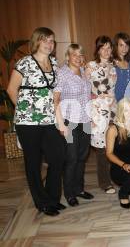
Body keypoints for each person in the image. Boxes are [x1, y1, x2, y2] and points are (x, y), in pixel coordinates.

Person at [7, 27, 66, 216]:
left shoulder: (55, 63)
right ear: (37, 42)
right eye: (45, 40)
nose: (49, 44)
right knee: (33, 163)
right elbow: (11, 89)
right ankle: (42, 202)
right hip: (28, 123)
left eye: (52, 40)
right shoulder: (25, 62)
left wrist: (59, 120)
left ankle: (52, 198)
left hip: (49, 120)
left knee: (58, 156)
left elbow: (55, 95)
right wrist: (24, 110)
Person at [54, 43, 93, 207]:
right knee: (72, 158)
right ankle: (69, 193)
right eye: (74, 55)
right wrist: (61, 124)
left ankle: (79, 189)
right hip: (70, 121)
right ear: (68, 57)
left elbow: (87, 95)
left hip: (85, 120)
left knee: (82, 157)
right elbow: (55, 100)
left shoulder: (84, 71)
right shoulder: (62, 73)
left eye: (81, 54)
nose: (78, 58)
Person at [85, 35, 117, 194]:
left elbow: (112, 90)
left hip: (112, 110)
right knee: (101, 149)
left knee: (112, 145)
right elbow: (84, 87)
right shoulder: (90, 65)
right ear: (97, 49)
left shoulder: (113, 67)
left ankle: (115, 177)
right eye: (102, 47)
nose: (106, 51)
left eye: (109, 47)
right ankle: (105, 183)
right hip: (97, 112)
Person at [113, 33, 130, 102]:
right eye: (121, 45)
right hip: (115, 102)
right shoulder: (111, 63)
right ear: (116, 46)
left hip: (128, 101)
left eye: (126, 45)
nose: (124, 48)